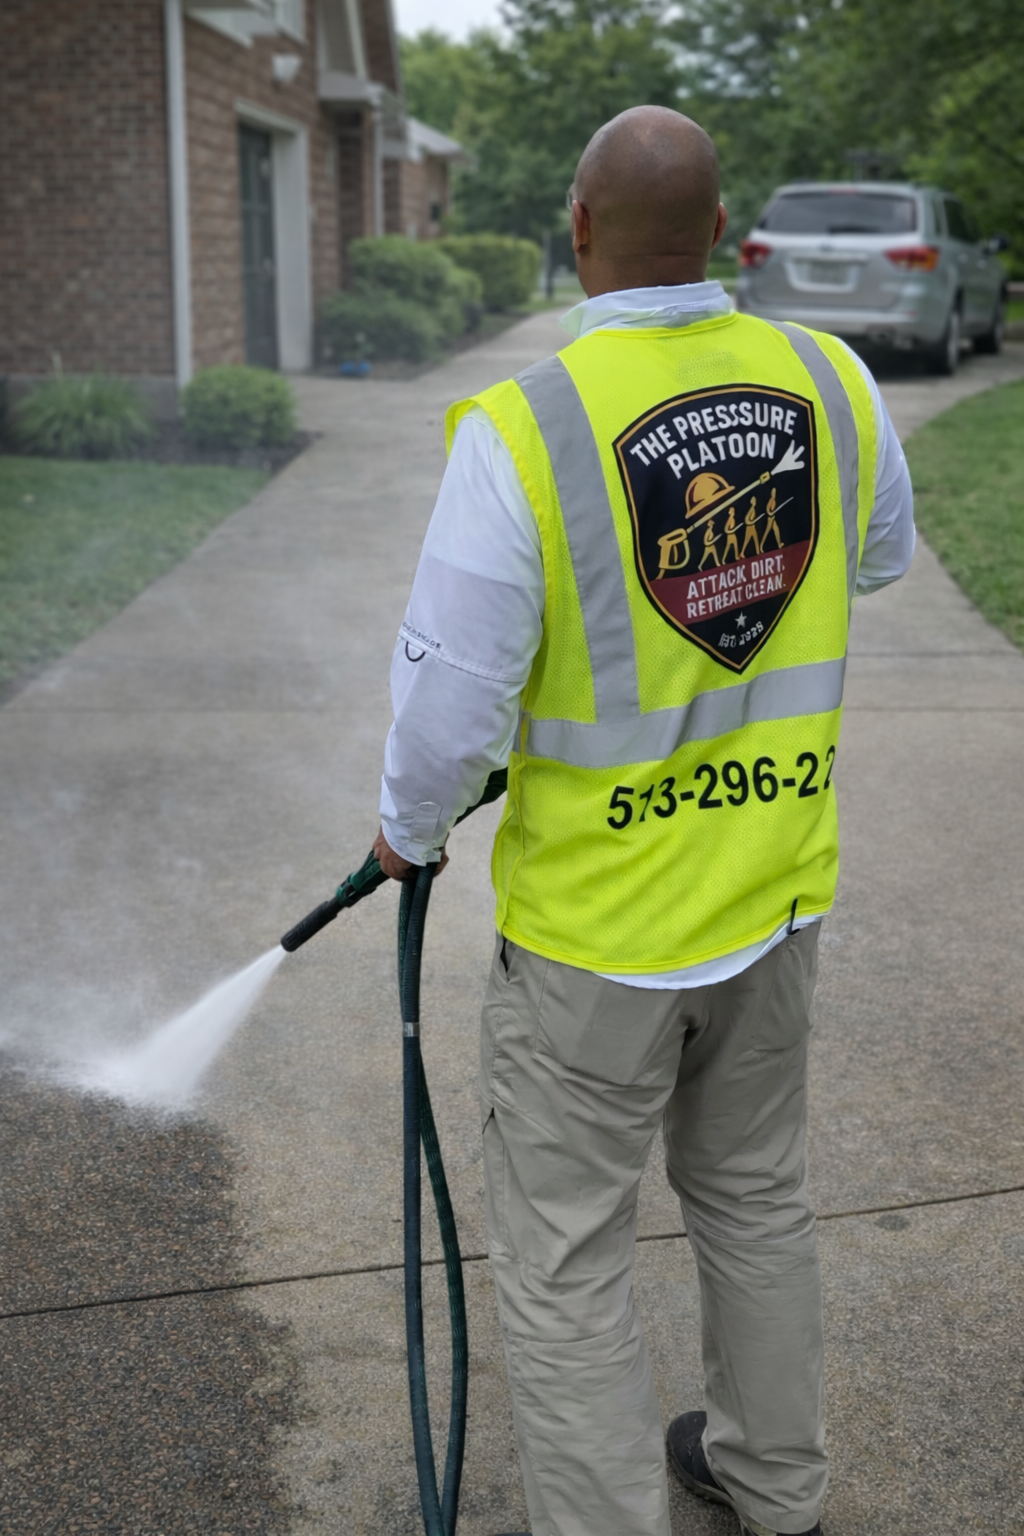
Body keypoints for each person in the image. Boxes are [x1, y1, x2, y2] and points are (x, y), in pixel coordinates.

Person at [373, 105, 914, 1536]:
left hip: (597, 940)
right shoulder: (831, 380)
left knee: (564, 1264)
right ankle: (774, 1485)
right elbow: (878, 558)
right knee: (754, 1200)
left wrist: (407, 830)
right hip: (773, 897)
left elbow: (449, 705)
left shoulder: (531, 430)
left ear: (579, 231)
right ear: (729, 237)